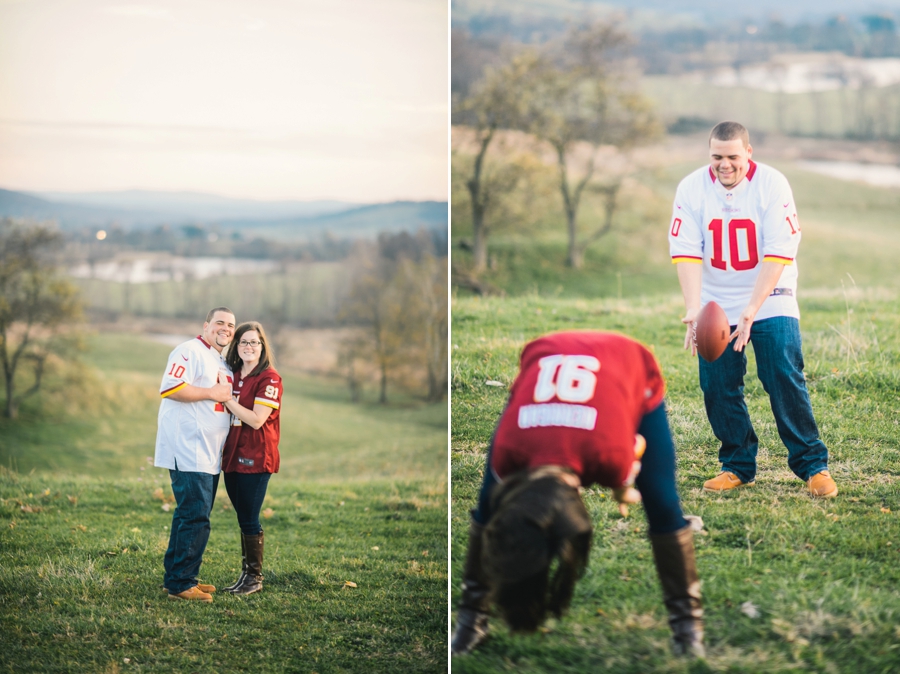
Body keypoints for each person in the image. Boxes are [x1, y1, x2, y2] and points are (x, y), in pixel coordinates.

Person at [451, 331, 704, 658]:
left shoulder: (610, 457)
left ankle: (687, 627)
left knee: (662, 501)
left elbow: (630, 465)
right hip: (545, 356)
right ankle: (471, 620)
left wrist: (624, 487)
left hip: (627, 359)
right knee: (489, 503)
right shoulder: (508, 451)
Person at [668, 121, 837, 498]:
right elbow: (686, 251)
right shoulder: (692, 187)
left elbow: (779, 251)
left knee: (782, 372)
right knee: (717, 383)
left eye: (732, 157)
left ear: (748, 153)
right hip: (716, 299)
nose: (724, 165)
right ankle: (737, 465)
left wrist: (751, 309)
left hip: (770, 291)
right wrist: (694, 308)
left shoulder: (772, 184)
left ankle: (813, 465)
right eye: (716, 157)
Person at [155, 307, 236, 602]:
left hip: (208, 451)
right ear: (206, 326)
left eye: (230, 325)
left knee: (188, 515)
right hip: (188, 446)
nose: (225, 328)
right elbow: (171, 387)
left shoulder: (221, 361)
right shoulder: (188, 350)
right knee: (196, 516)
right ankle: (182, 584)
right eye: (219, 323)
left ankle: (176, 578)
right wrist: (211, 393)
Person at [220, 321, 283, 596]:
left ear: (262, 347)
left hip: (256, 456)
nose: (248, 347)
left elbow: (257, 420)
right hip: (232, 454)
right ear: (236, 345)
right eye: (243, 342)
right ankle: (246, 575)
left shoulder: (269, 378)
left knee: (249, 517)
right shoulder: (232, 374)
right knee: (242, 516)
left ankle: (255, 578)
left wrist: (226, 400)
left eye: (254, 342)